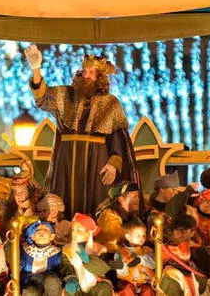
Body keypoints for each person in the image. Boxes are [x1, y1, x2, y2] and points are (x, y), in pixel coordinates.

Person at [25, 44, 142, 216]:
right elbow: (43, 98)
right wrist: (36, 69)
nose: (85, 75)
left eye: (91, 72)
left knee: (96, 202)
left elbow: (118, 138)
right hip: (66, 159)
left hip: (97, 160)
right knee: (63, 199)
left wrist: (113, 165)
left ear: (100, 78)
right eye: (84, 71)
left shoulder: (111, 102)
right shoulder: (66, 95)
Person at [61, 213, 113, 296]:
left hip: (96, 284)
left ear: (88, 233)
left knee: (104, 288)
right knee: (70, 291)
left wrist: (88, 261)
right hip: (77, 284)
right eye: (73, 229)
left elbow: (104, 270)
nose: (74, 233)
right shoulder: (67, 249)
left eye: (79, 230)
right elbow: (66, 266)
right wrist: (71, 278)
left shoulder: (99, 249)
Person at [20, 221, 63, 295]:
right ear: (32, 236)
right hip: (30, 282)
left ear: (52, 236)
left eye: (46, 230)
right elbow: (19, 266)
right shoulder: (25, 251)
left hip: (49, 281)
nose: (41, 232)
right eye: (37, 230)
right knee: (29, 291)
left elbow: (62, 270)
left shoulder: (57, 253)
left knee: (53, 282)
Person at [95, 182, 141, 253]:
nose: (138, 199)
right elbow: (117, 238)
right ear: (121, 199)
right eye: (135, 196)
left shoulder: (132, 215)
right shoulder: (109, 215)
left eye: (138, 196)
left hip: (123, 251)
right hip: (109, 255)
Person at [114, 220, 156, 296]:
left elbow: (153, 264)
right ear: (128, 237)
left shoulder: (148, 250)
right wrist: (126, 264)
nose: (142, 238)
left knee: (148, 291)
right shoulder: (119, 252)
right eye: (138, 235)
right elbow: (120, 271)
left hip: (145, 282)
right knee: (127, 290)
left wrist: (141, 260)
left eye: (144, 236)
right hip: (127, 281)